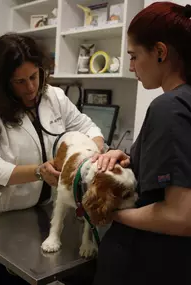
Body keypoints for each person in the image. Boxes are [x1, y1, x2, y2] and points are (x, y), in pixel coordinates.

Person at [0, 33, 104, 285]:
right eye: (20, 81)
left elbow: (88, 128)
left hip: (39, 213)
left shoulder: (54, 97)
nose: (31, 87)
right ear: (2, 83)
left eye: (34, 76)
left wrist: (91, 154)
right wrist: (38, 171)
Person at [92, 2, 191, 285]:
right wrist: (129, 157)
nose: (131, 66)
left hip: (149, 263)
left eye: (134, 56)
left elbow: (181, 216)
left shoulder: (169, 107)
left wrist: (113, 214)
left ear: (160, 52)